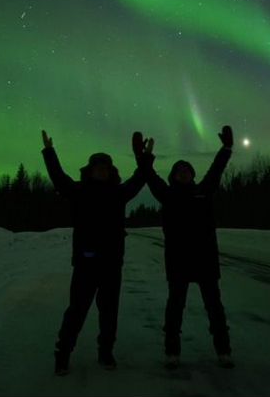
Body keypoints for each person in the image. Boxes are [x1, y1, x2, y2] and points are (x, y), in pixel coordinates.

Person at [42, 130, 150, 376]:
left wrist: (143, 158)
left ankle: (105, 352)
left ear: (110, 171)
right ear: (89, 170)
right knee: (77, 311)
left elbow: (140, 177)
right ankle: (63, 355)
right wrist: (49, 151)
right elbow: (58, 178)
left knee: (109, 313)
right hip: (85, 263)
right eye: (97, 166)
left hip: (112, 265)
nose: (101, 170)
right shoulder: (79, 191)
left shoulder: (119, 193)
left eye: (105, 167)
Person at [141, 125, 234, 369]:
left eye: (187, 170)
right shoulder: (167, 194)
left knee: (215, 309)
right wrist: (145, 157)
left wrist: (226, 148)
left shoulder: (203, 191)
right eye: (179, 171)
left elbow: (216, 170)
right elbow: (149, 175)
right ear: (173, 176)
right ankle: (172, 352)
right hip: (179, 261)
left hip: (205, 260)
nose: (184, 173)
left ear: (192, 175)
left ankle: (224, 351)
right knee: (175, 309)